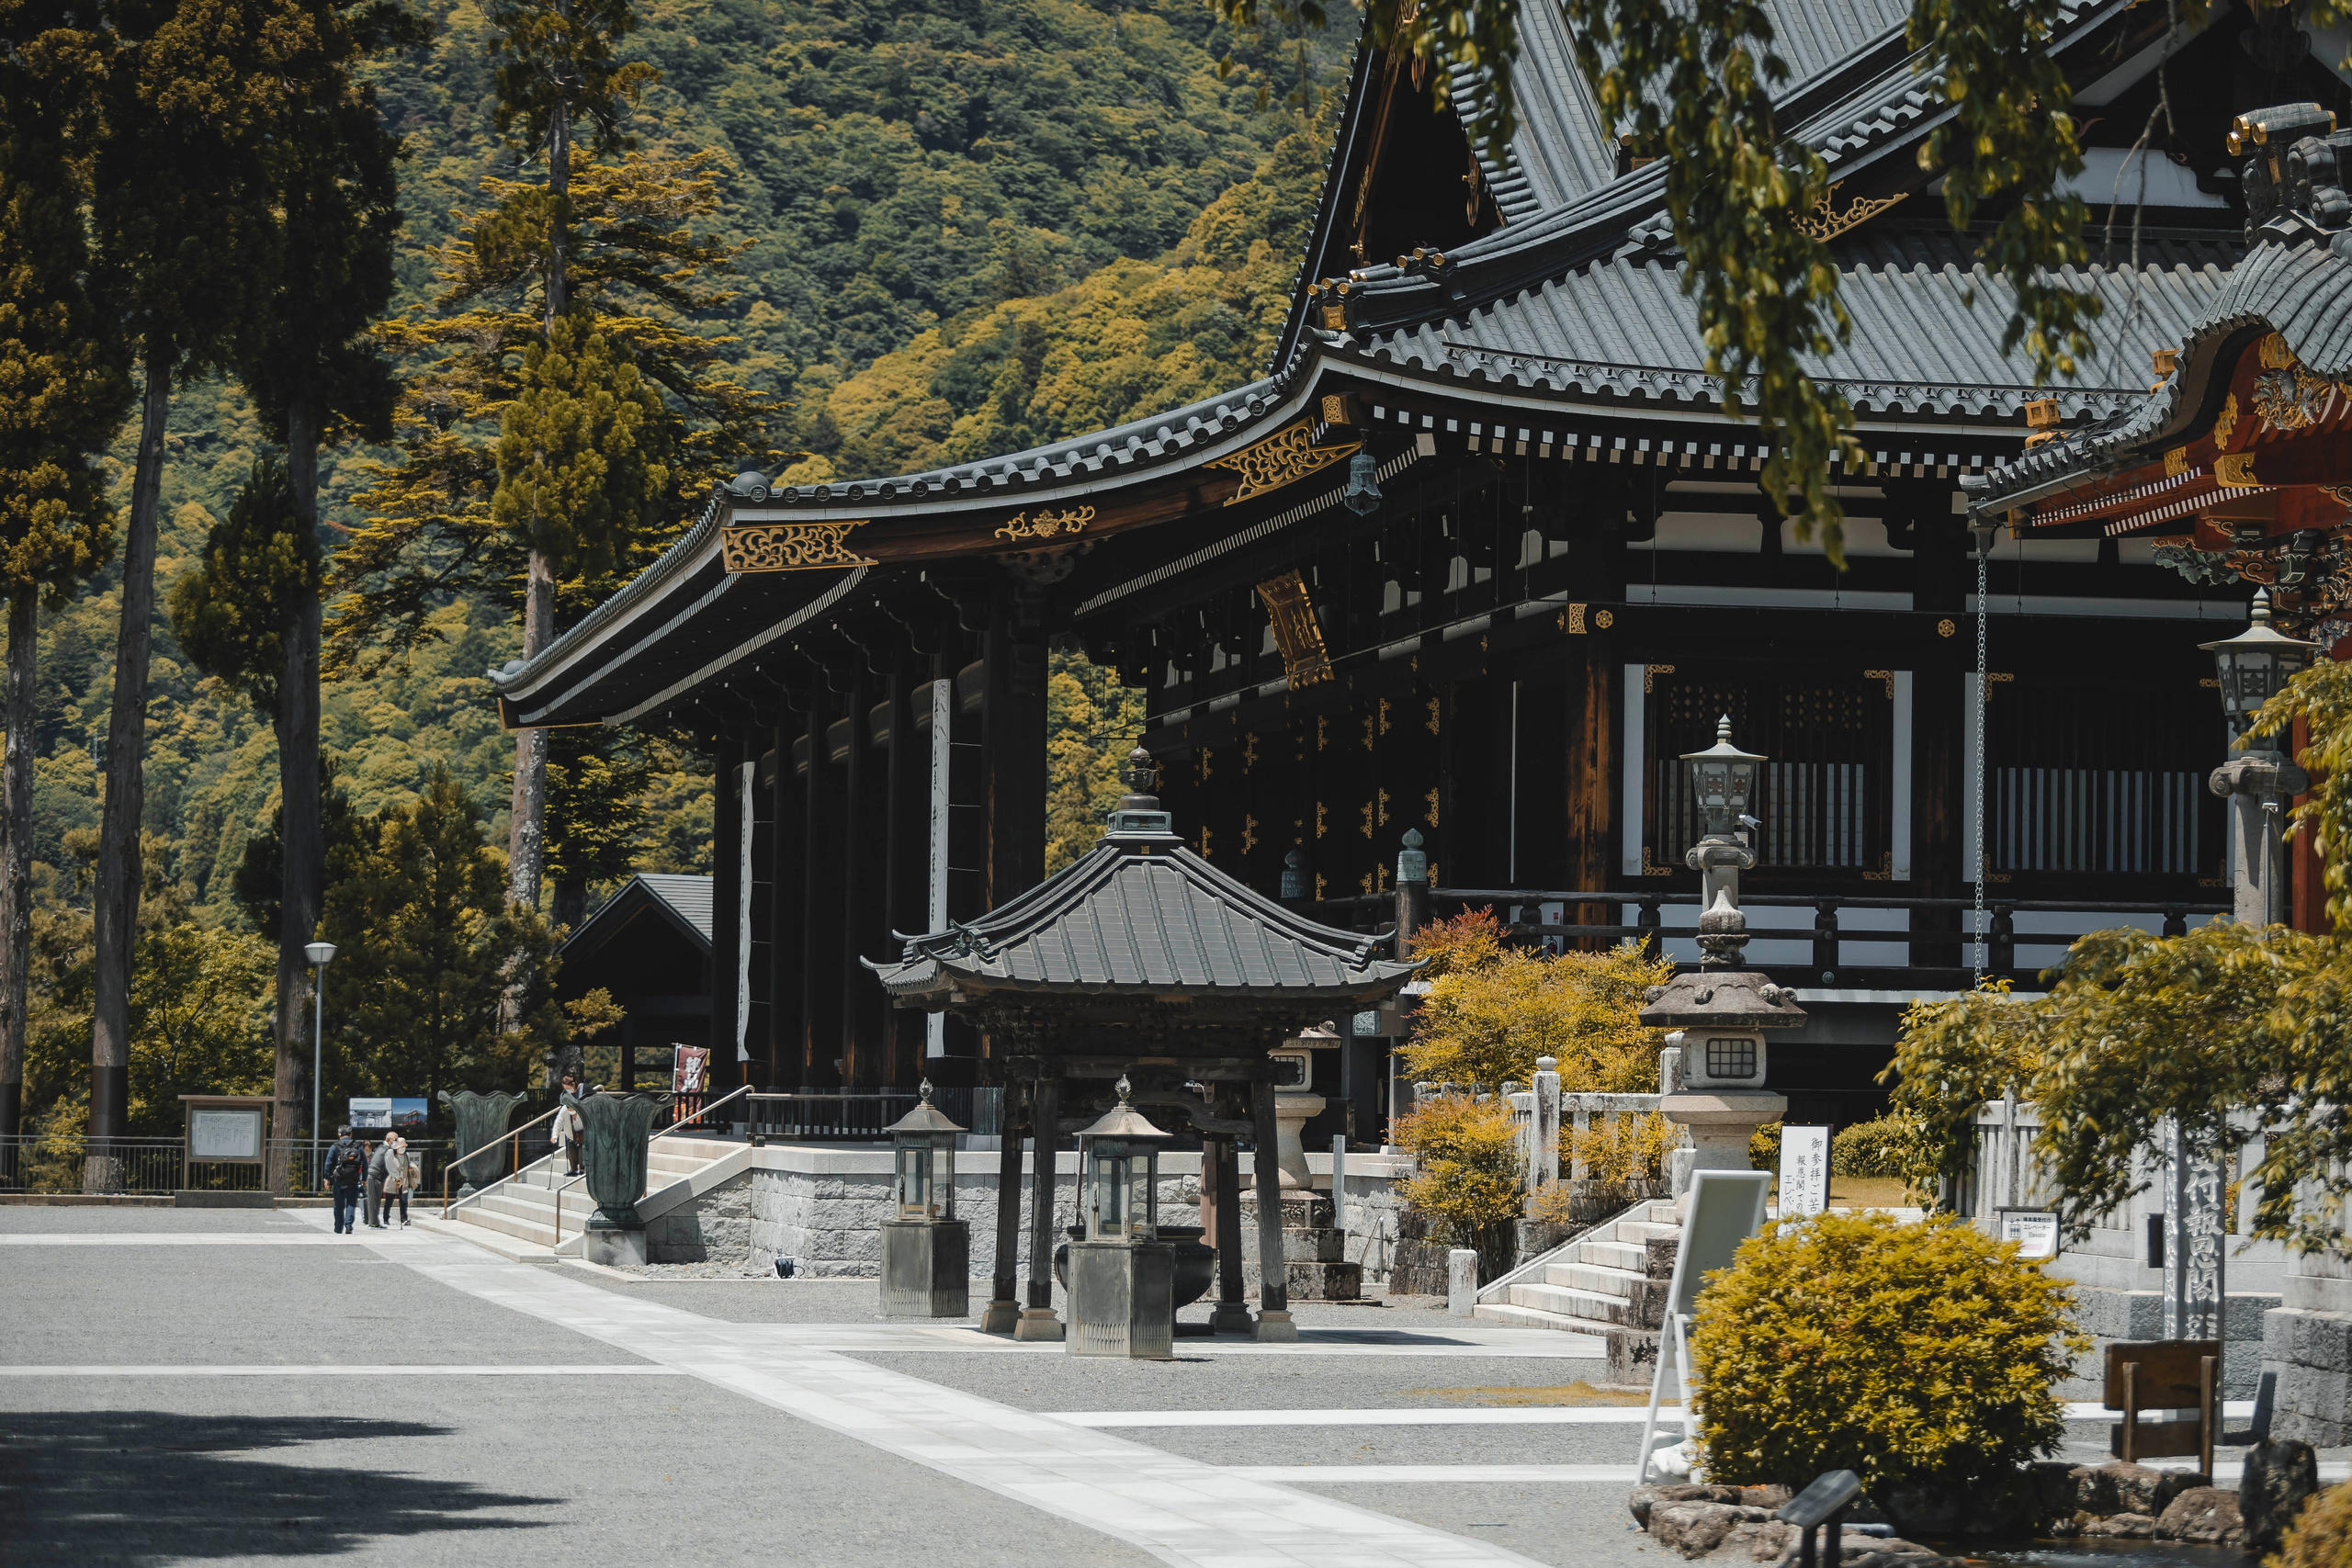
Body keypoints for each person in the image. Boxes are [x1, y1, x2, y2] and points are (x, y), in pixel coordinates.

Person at [326, 1125, 368, 1235]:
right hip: (354, 1179)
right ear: (351, 1134)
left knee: (338, 1205)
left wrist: (327, 1178)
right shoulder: (358, 1146)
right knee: (351, 1203)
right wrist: (364, 1179)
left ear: (339, 1134)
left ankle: (338, 1228)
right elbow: (364, 1164)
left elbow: (328, 1164)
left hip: (339, 1179)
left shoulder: (335, 1146)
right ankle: (348, 1225)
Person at [379, 1130, 413, 1227]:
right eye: (400, 1147)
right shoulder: (391, 1154)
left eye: (404, 1147)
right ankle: (386, 1218)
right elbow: (390, 1168)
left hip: (404, 1181)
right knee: (389, 1201)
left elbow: (408, 1166)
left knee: (404, 1201)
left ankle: (404, 1219)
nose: (402, 1149)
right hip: (392, 1181)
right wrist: (396, 1178)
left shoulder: (407, 1155)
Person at [553, 1073, 585, 1176]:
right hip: (571, 1134)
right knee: (571, 1150)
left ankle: (582, 1168)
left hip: (583, 1133)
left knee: (582, 1150)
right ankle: (573, 1168)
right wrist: (555, 1135)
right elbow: (558, 1122)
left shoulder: (581, 1106)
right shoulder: (564, 1109)